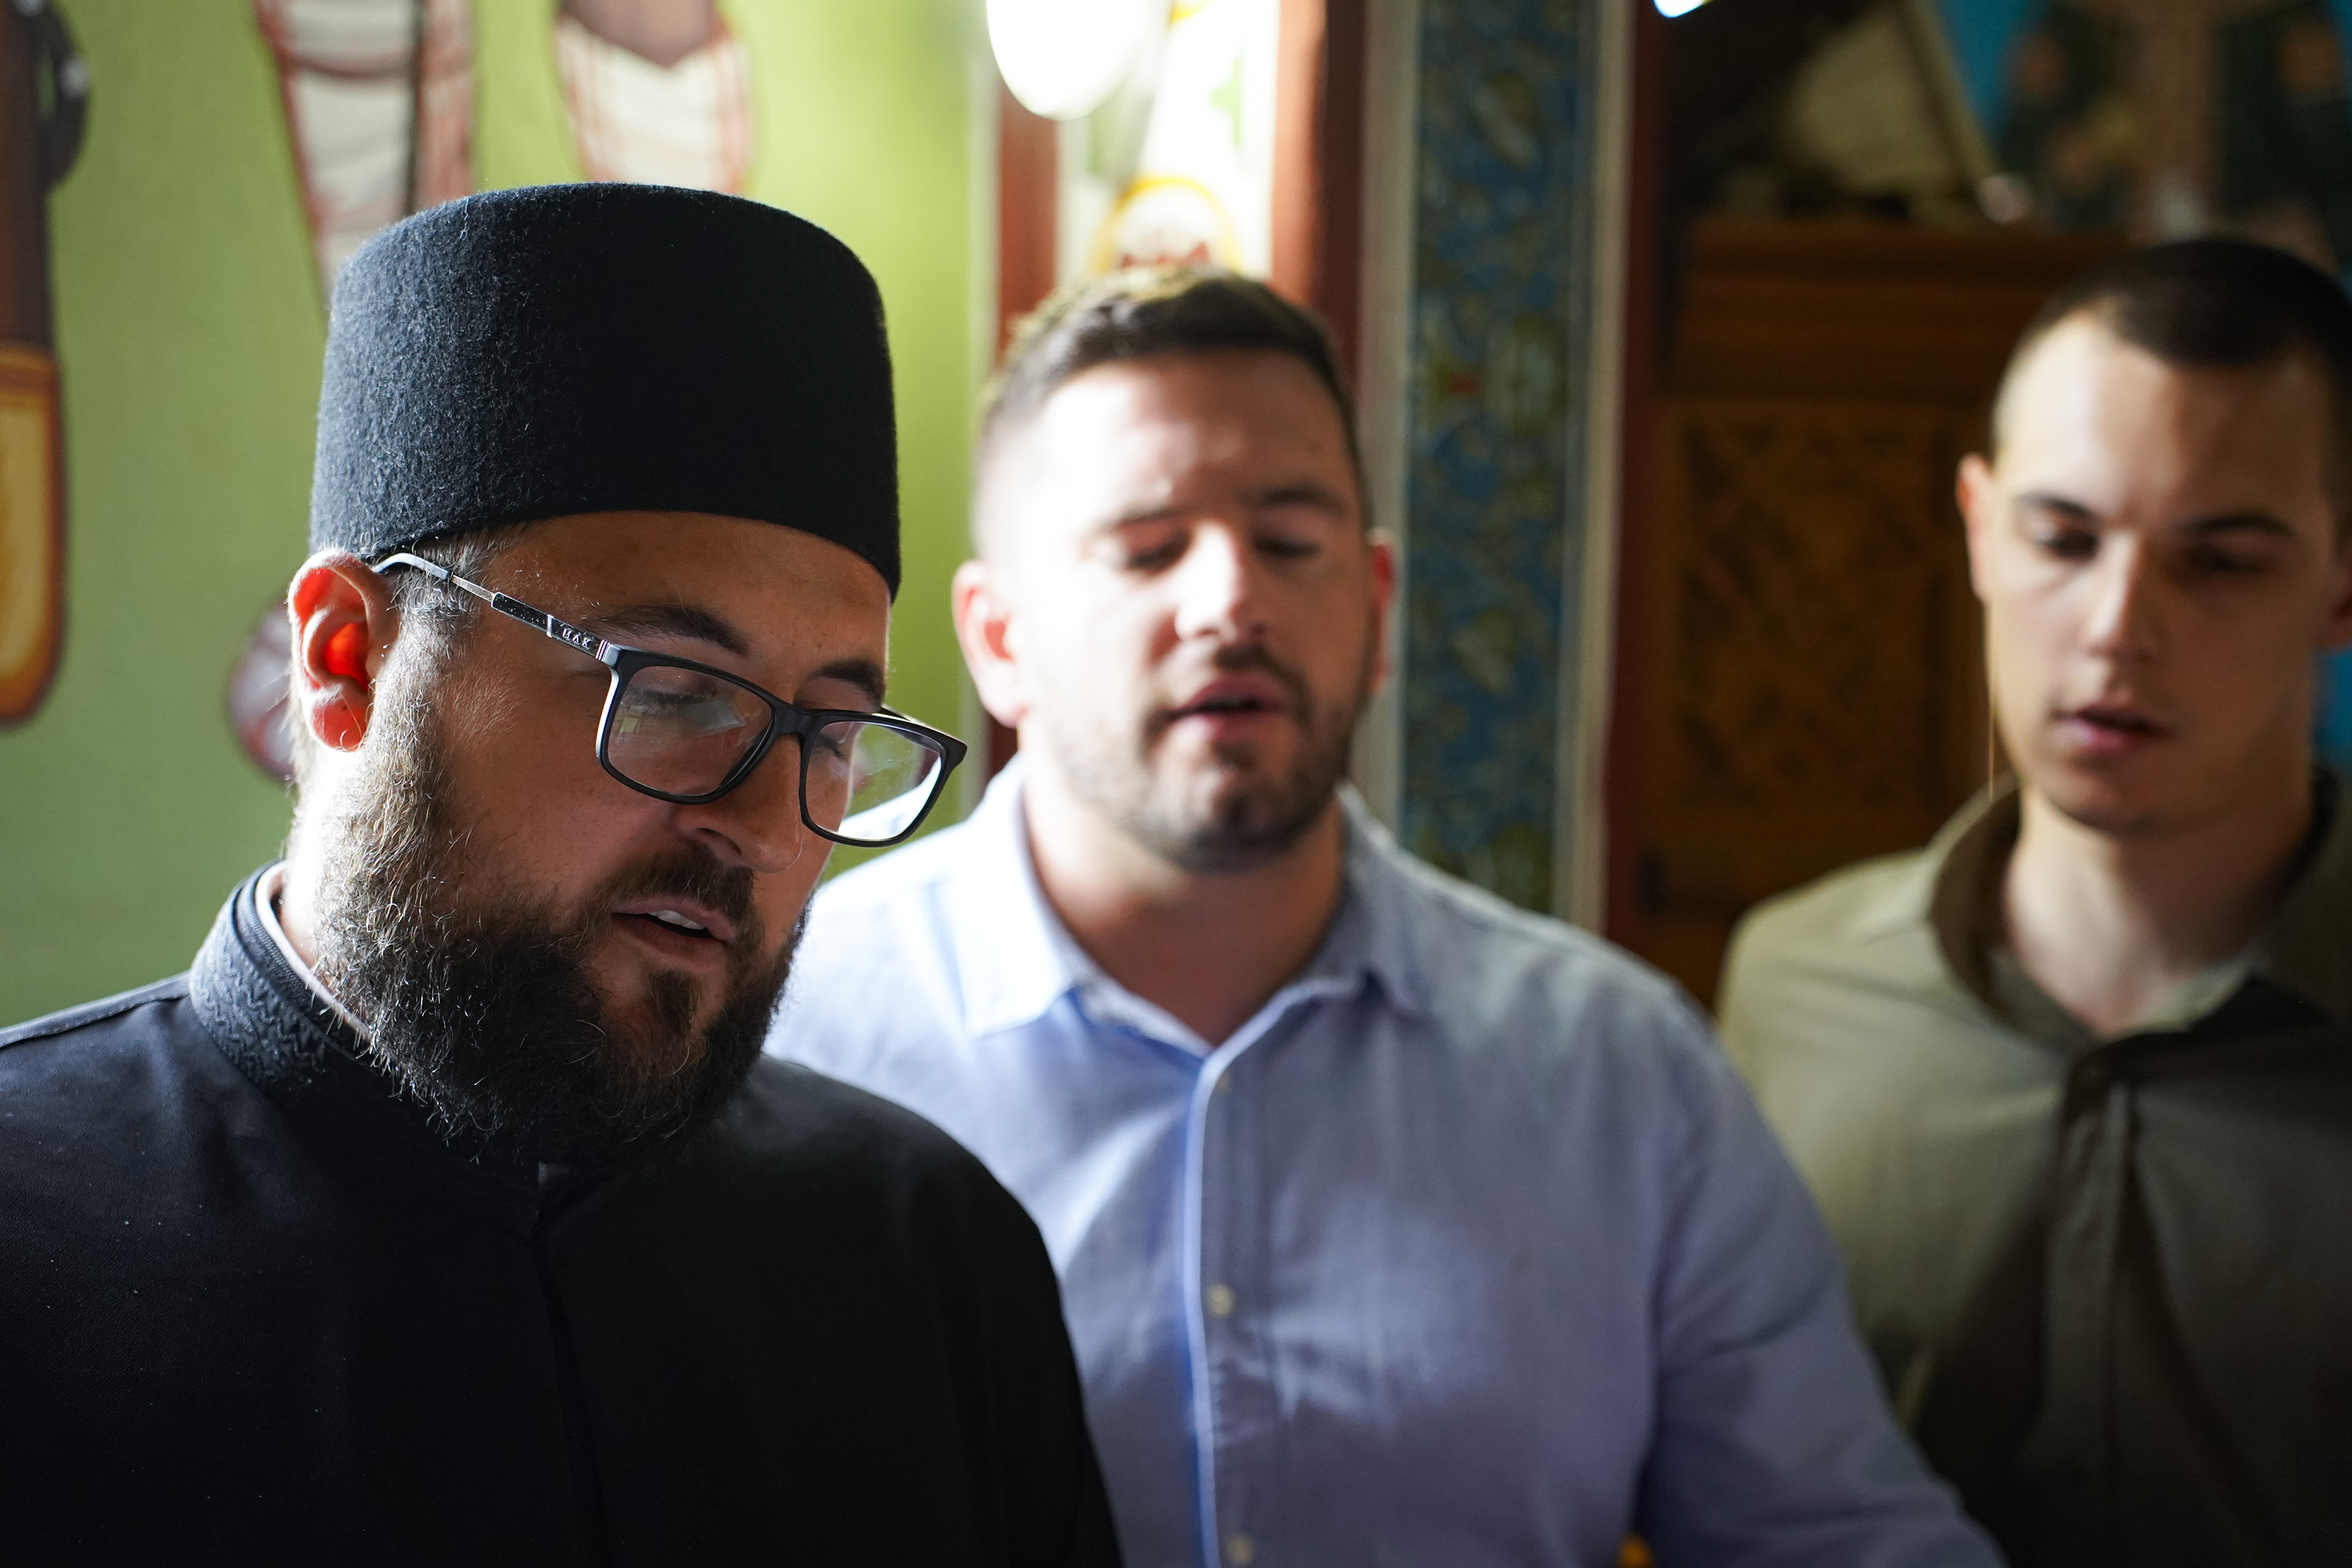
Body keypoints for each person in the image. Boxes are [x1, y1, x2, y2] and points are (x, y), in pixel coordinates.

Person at [772, 268, 1995, 1567]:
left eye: (1289, 541)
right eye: (1146, 548)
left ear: (1377, 605)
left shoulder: (1617, 1075)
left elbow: (1833, 1535)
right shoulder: (789, 1042)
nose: (1228, 600)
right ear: (999, 639)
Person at [0, 185, 1119, 1566]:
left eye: (832, 734)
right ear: (346, 659)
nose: (765, 826)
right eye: (673, 690)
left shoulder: (925, 1255)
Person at [1720, 239, 2352, 1567]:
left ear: (2340, 579)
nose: (2116, 626)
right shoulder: (1789, 984)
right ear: (1977, 528)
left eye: (2218, 563)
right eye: (2061, 539)